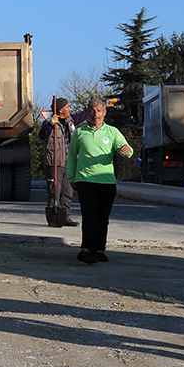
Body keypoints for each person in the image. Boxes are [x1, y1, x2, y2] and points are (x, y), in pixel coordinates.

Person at [66, 98, 134, 264]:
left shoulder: (112, 132)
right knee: (89, 216)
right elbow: (72, 157)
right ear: (88, 112)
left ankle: (100, 249)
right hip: (85, 180)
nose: (95, 114)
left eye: (99, 110)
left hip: (106, 182)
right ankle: (87, 249)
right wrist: (71, 177)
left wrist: (126, 151)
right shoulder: (80, 132)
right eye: (92, 110)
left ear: (104, 112)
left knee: (103, 217)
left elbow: (127, 150)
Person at [39, 97, 78, 226]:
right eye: (68, 107)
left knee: (67, 192)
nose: (70, 109)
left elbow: (85, 114)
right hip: (54, 164)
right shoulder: (49, 123)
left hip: (69, 164)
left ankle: (65, 217)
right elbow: (42, 135)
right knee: (54, 191)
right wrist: (50, 124)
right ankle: (53, 217)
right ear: (61, 109)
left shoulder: (70, 121)